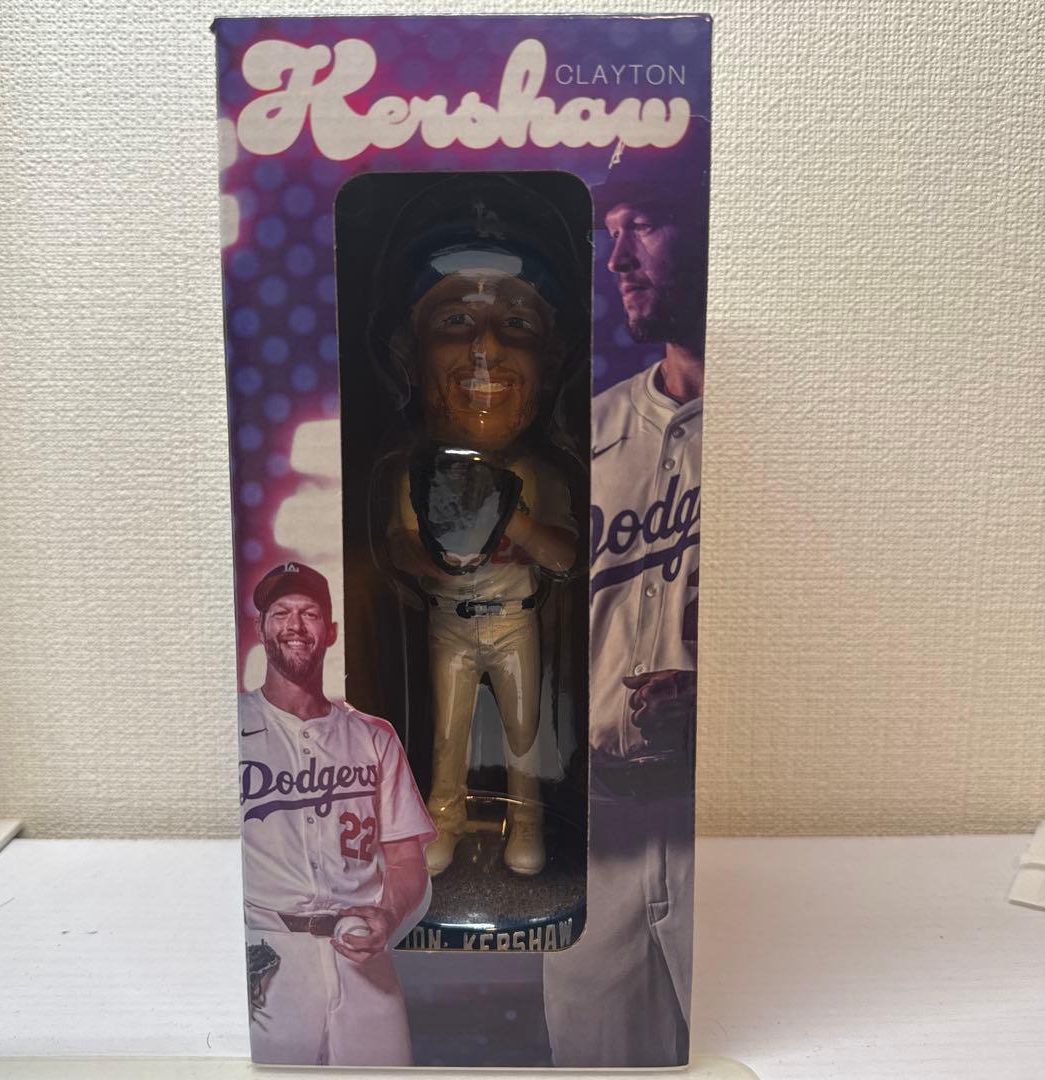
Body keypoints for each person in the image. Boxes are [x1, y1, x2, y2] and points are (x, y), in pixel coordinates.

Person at [543, 118, 710, 1066]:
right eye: (611, 234)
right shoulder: (584, 433)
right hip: (598, 828)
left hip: (713, 826)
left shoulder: (784, 433)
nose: (618, 260)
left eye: (642, 224)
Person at [380, 176, 581, 878]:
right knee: (447, 733)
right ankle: (444, 819)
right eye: (455, 321)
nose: (486, 349)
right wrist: (437, 557)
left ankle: (527, 823)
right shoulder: (417, 469)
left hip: (515, 622)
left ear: (552, 360)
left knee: (526, 731)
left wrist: (510, 518)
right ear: (410, 352)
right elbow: (401, 545)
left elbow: (566, 557)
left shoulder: (539, 473)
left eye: (517, 325)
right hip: (449, 623)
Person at [239, 561, 436, 1066]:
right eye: (281, 612)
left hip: (364, 955)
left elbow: (406, 863)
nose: (295, 625)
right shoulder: (229, 729)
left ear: (330, 631)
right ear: (261, 627)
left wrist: (389, 915)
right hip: (268, 952)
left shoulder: (373, 735)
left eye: (309, 613)